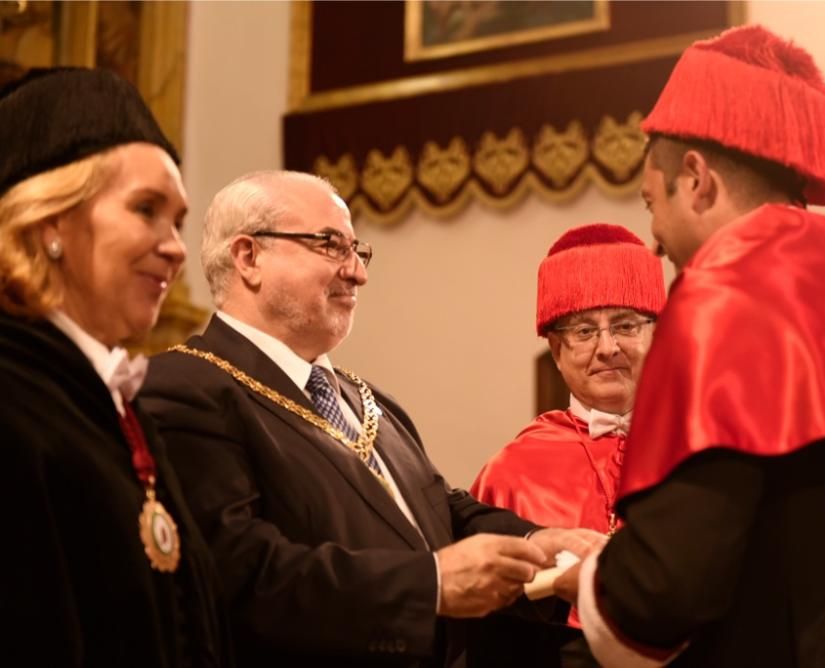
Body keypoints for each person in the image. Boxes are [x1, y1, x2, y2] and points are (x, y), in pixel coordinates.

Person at [553, 24, 825, 667]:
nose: (653, 239)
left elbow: (669, 585)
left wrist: (593, 584)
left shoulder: (725, 293)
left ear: (697, 179)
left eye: (653, 204)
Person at [139, 170, 602, 667]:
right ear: (249, 257)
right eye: (331, 245)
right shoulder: (184, 388)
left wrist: (537, 545)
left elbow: (441, 511)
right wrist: (430, 585)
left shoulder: (368, 399)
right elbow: (241, 575)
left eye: (358, 251)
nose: (357, 272)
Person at [0, 68, 230, 666]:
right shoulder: (13, 399)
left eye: (177, 220)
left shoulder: (108, 406)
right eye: (146, 209)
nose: (176, 246)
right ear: (49, 221)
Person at [468, 223, 664, 666]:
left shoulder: (698, 449)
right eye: (583, 331)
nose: (608, 347)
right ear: (556, 351)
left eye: (626, 324)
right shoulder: (512, 471)